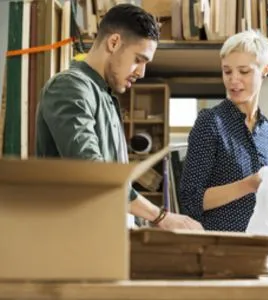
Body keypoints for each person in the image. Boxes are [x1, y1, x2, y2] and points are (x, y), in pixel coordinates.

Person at [35, 4, 202, 231]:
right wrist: (160, 216)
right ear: (113, 42)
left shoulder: (106, 96)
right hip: (72, 242)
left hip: (102, 240)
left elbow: (115, 184)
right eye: (138, 59)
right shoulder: (69, 87)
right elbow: (93, 173)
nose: (141, 72)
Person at [179, 30, 268, 232]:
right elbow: (189, 201)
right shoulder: (210, 123)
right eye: (227, 71)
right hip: (218, 251)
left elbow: (266, 203)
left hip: (262, 249)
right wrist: (249, 184)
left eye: (244, 71)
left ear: (265, 70)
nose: (233, 80)